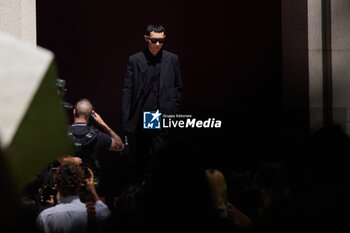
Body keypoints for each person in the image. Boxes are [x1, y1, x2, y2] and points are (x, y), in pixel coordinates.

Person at [121, 24, 182, 179]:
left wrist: (172, 109)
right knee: (145, 152)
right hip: (146, 113)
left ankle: (157, 186)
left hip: (164, 113)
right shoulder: (135, 60)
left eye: (161, 41)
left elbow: (177, 87)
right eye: (154, 40)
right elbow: (127, 90)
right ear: (146, 38)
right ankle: (145, 186)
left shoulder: (172, 59)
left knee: (161, 153)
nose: (157, 44)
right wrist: (126, 120)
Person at [36, 161, 111, 233]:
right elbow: (106, 214)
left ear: (57, 185)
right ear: (80, 184)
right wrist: (93, 191)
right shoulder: (93, 212)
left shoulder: (45, 216)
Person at [68, 98, 124, 171]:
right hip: (88, 178)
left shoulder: (61, 134)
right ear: (91, 114)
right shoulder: (98, 136)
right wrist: (103, 124)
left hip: (65, 179)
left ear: (74, 111)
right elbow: (120, 146)